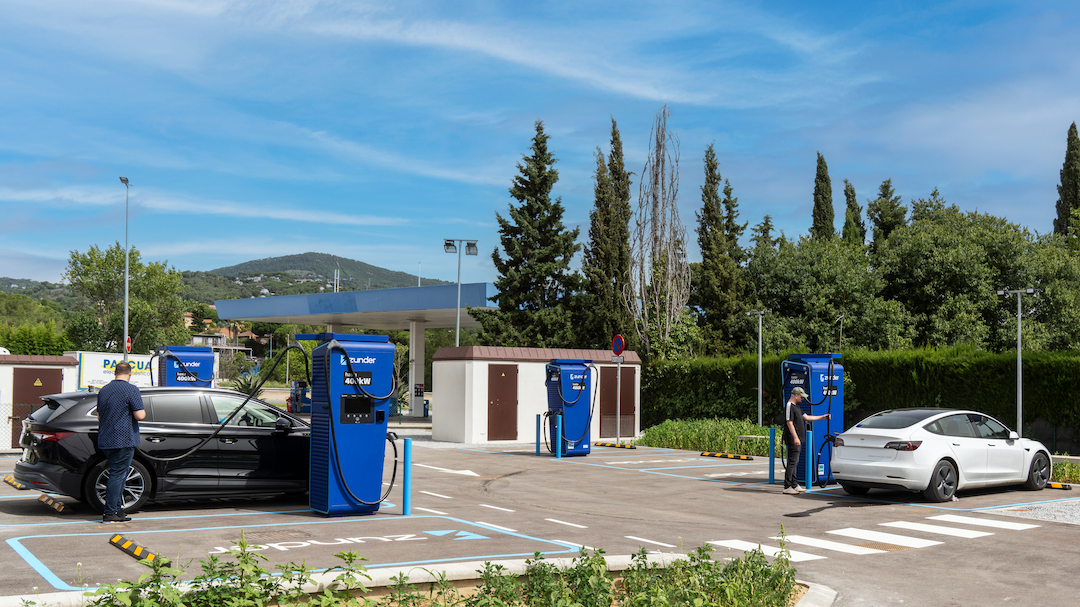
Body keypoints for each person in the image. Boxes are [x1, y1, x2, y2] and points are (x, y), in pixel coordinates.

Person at [96, 361, 146, 522]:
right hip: (123, 439)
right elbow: (140, 415)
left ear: (114, 373)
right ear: (130, 374)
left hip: (106, 438)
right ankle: (110, 512)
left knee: (118, 475)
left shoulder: (104, 390)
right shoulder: (131, 390)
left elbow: (99, 415)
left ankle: (118, 511)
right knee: (118, 475)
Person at [782, 387, 830, 495]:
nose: (802, 399)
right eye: (801, 397)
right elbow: (789, 422)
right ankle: (787, 486)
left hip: (798, 438)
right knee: (793, 462)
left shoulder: (797, 407)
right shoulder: (789, 406)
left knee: (795, 462)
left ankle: (794, 484)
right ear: (796, 396)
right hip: (793, 438)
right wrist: (795, 437)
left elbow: (807, 417)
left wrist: (822, 417)